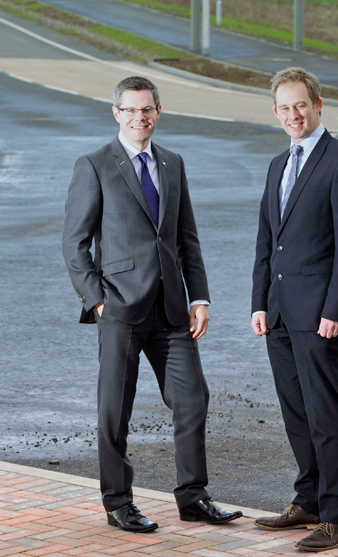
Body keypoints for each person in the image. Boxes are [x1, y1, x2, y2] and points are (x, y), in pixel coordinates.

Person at [62, 76, 241, 533]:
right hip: (120, 308)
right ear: (116, 113)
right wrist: (98, 302)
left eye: (147, 110)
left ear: (158, 112)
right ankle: (118, 502)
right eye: (130, 110)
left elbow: (185, 238)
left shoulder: (173, 163)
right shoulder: (95, 165)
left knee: (192, 398)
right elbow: (75, 243)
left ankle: (192, 496)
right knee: (114, 410)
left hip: (172, 309)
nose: (139, 118)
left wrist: (198, 296)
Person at [250, 67, 338, 551]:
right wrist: (259, 302)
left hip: (320, 313)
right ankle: (310, 500)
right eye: (284, 107)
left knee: (325, 415)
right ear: (275, 111)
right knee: (296, 413)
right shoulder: (279, 163)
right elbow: (267, 242)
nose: (293, 115)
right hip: (279, 313)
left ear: (318, 105)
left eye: (301, 104)